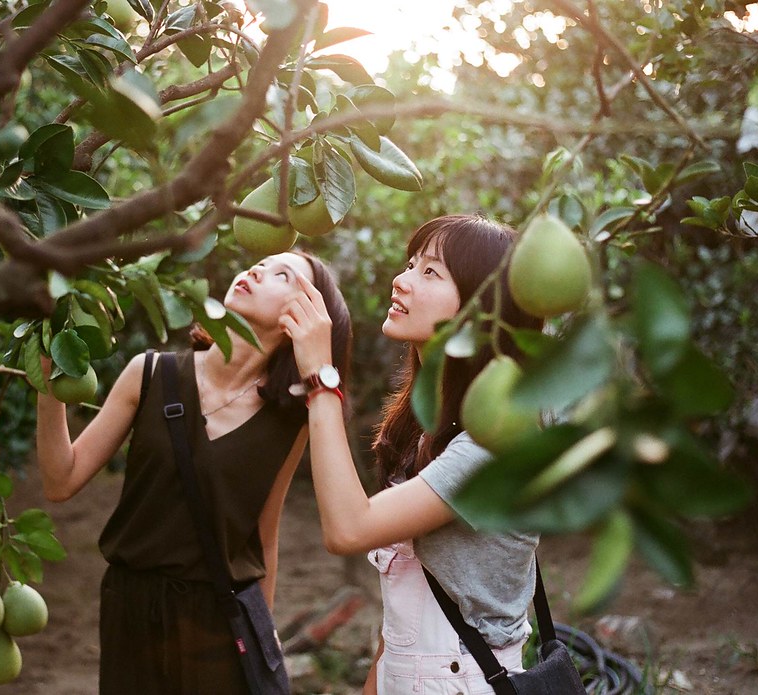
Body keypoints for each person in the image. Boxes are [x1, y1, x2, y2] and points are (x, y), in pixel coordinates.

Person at [35, 250, 352, 695]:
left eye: (282, 275)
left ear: (303, 318)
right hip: (130, 610)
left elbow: (264, 536)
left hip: (217, 621)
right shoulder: (150, 373)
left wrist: (261, 637)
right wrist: (48, 381)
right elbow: (60, 480)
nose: (256, 269)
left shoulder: (290, 420)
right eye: (260, 263)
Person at [279, 214, 543, 695]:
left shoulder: (494, 445)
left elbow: (348, 529)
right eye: (410, 265)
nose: (401, 281)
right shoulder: (423, 430)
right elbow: (403, 622)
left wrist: (320, 376)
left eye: (430, 272)